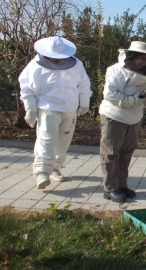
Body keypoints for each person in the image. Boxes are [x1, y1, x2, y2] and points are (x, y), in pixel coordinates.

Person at [19, 36, 92, 189]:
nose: (58, 60)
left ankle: (55, 168)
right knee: (46, 139)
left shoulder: (76, 64)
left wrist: (84, 103)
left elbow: (84, 85)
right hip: (48, 109)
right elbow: (27, 88)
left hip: (69, 109)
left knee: (63, 141)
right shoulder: (35, 66)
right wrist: (31, 109)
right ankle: (42, 172)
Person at [99, 41, 146, 203]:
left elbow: (143, 97)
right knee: (111, 153)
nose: (144, 63)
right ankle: (110, 188)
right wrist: (135, 100)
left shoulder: (144, 76)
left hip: (132, 118)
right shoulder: (116, 71)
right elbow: (111, 95)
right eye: (142, 59)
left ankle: (122, 185)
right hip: (114, 116)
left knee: (125, 154)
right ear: (131, 57)